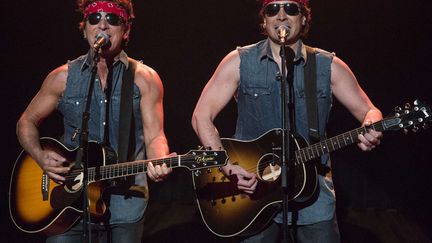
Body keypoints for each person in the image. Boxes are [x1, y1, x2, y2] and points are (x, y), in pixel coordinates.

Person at [191, 0, 383, 242]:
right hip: (250, 196)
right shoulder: (238, 61)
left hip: (313, 198)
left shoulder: (328, 66)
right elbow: (201, 116)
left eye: (291, 9)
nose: (281, 15)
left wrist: (371, 127)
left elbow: (370, 111)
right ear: (264, 20)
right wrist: (228, 168)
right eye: (273, 9)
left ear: (303, 19)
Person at [16, 0, 172, 242]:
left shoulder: (145, 78)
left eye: (112, 19)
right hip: (68, 203)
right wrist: (39, 155)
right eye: (94, 18)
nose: (102, 25)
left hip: (125, 204)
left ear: (126, 30)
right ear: (84, 27)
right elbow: (26, 121)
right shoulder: (62, 77)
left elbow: (155, 135)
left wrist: (160, 159)